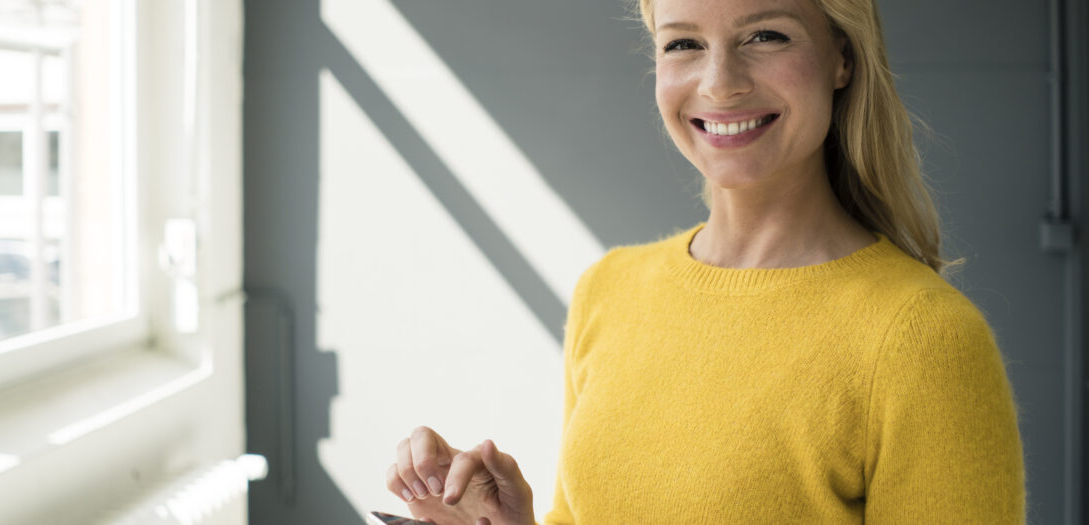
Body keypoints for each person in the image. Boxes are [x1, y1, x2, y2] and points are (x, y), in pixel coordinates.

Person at [384, 0, 1027, 523]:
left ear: (842, 58)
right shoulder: (609, 290)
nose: (720, 82)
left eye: (767, 34)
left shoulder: (925, 338)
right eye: (683, 43)